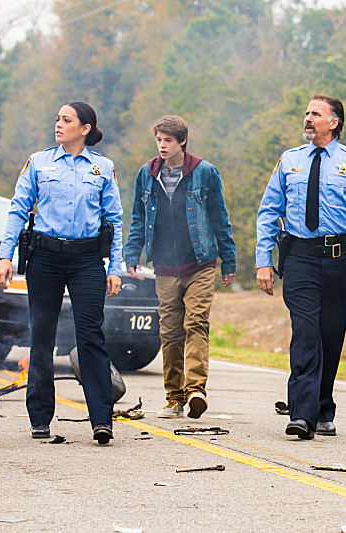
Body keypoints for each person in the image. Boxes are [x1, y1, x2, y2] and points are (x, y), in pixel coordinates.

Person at [0, 102, 123, 445]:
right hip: (45, 259)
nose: (58, 124)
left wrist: (116, 267)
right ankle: (40, 418)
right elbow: (18, 210)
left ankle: (101, 419)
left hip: (86, 261)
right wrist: (5, 256)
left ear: (85, 129)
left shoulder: (102, 168)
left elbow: (114, 220)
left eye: (66, 120)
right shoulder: (38, 162)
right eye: (57, 119)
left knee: (91, 336)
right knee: (42, 337)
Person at [256, 93, 346, 439]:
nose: (308, 119)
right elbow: (268, 213)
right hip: (300, 258)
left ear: (334, 122)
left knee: (330, 333)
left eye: (316, 114)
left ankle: (323, 406)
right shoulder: (289, 160)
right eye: (307, 113)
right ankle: (302, 415)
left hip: (341, 258)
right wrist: (264, 261)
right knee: (306, 332)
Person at [123, 115, 236, 419]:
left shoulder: (205, 172)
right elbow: (137, 219)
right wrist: (132, 254)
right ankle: (174, 396)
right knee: (170, 333)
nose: (162, 145)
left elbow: (219, 218)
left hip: (199, 263)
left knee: (196, 322)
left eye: (168, 140)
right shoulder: (146, 174)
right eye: (158, 139)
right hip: (163, 266)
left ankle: (196, 389)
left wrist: (229, 260)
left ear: (182, 141)